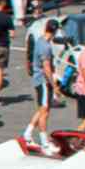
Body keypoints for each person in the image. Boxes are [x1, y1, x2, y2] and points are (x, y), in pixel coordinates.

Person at [26, 19, 60, 153]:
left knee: (41, 109)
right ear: (55, 31)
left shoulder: (40, 40)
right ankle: (45, 143)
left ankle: (27, 134)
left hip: (39, 79)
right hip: (44, 81)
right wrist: (54, 85)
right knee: (45, 112)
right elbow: (46, 68)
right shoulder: (46, 46)